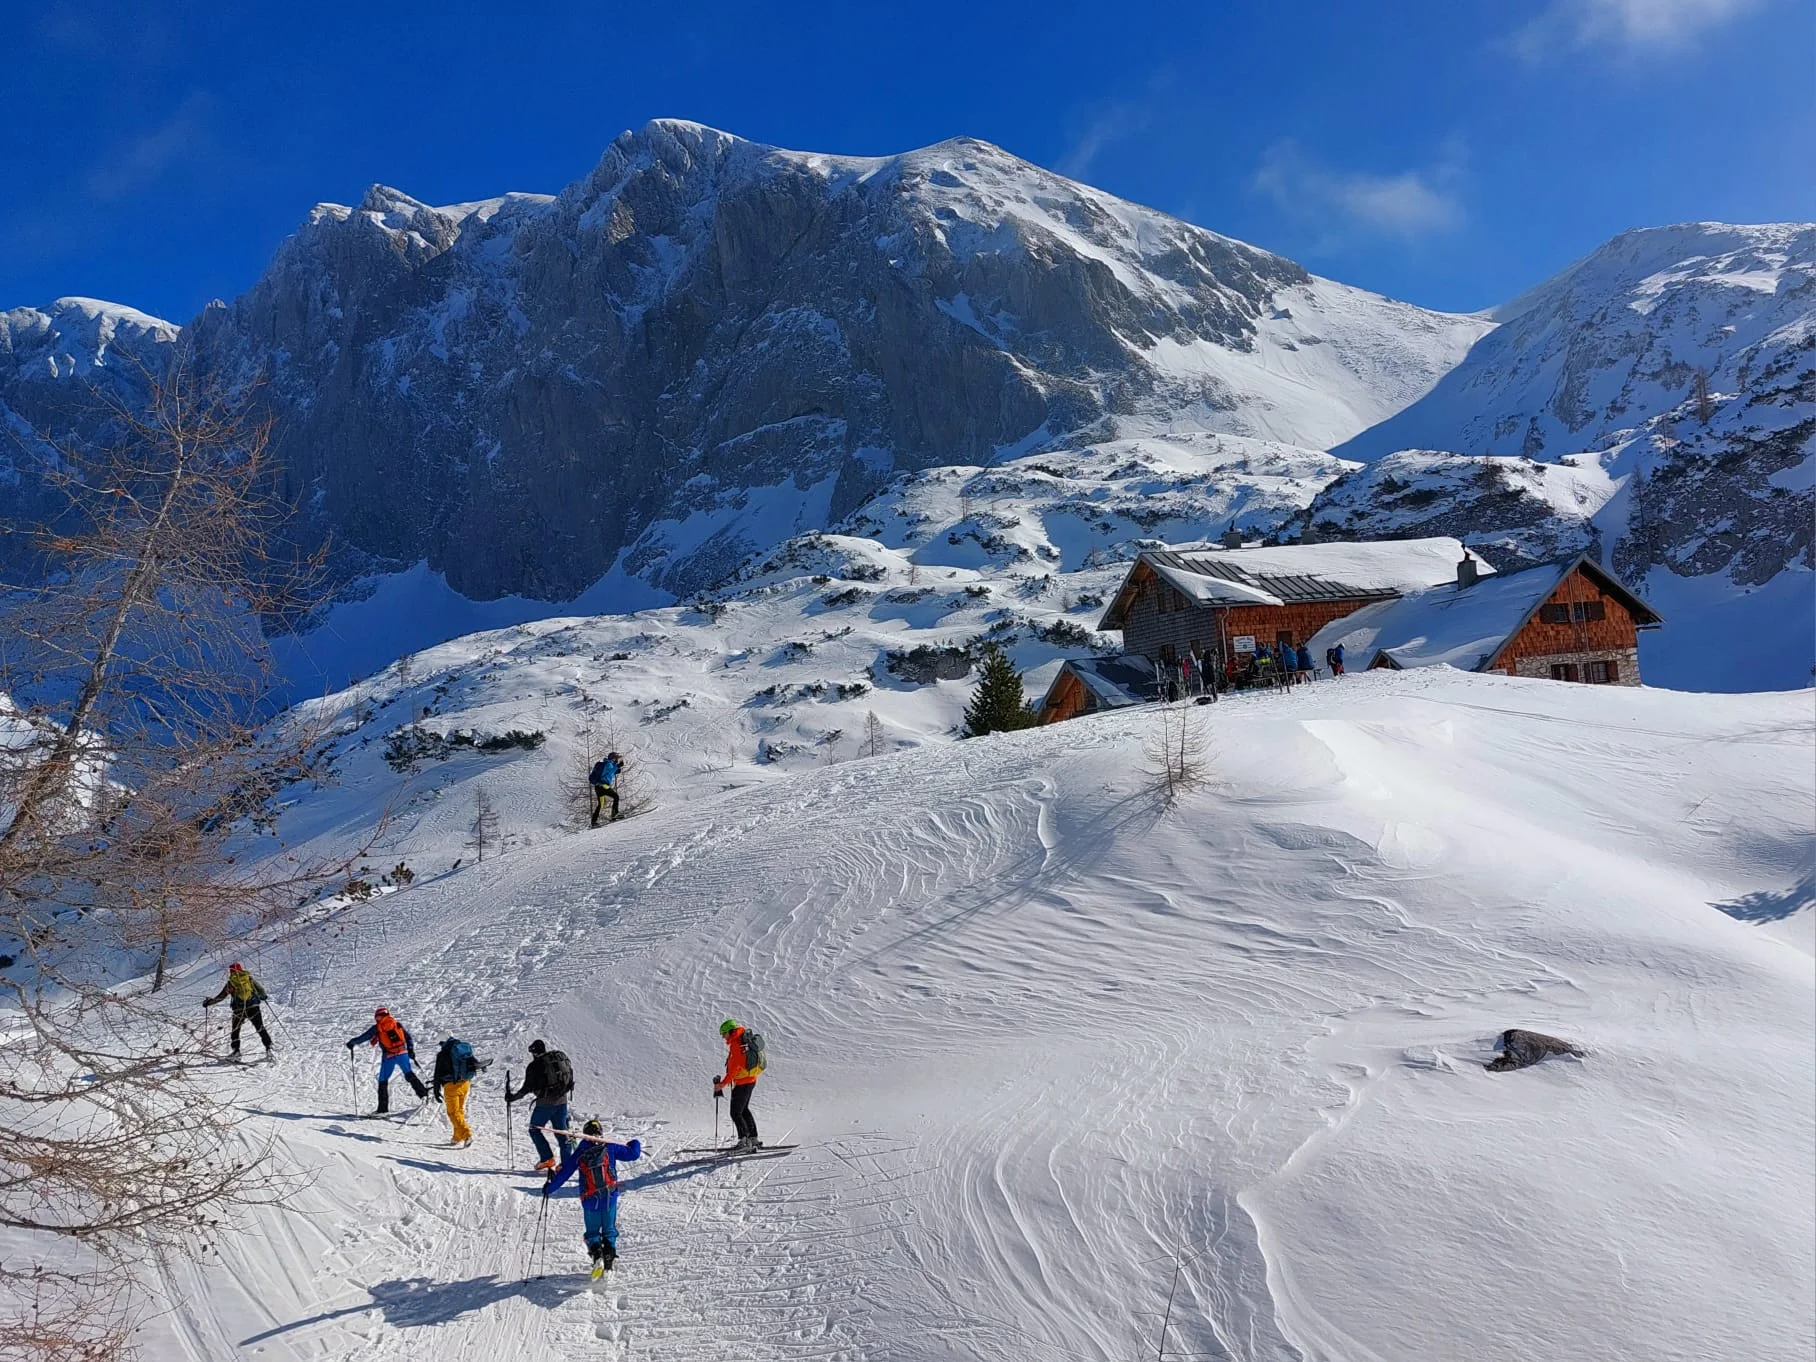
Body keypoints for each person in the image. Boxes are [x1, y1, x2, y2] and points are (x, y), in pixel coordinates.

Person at [543, 1119, 642, 1273]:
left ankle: (597, 1255)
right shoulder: (609, 1146)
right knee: (609, 1230)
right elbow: (634, 1154)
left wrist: (549, 1188)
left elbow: (565, 1172)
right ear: (600, 1132)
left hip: (590, 1200)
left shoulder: (581, 1151)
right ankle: (609, 1256)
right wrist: (634, 1142)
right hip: (609, 1197)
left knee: (592, 1232)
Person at [506, 1039, 575, 1171]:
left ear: (533, 1052)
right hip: (562, 1101)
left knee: (534, 1129)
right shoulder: (556, 1059)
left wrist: (512, 1098)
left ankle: (547, 1158)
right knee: (561, 1131)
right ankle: (567, 1164)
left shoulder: (535, 1066)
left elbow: (526, 1088)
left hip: (545, 1104)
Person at [346, 1006, 430, 1113]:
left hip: (389, 1055)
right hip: (402, 1053)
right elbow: (408, 1038)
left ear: (378, 1017)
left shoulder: (377, 1027)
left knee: (383, 1080)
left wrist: (352, 1043)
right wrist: (410, 1049)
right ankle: (423, 1094)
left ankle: (382, 1109)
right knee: (409, 1074)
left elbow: (364, 1037)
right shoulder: (396, 1024)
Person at [714, 1019, 764, 1152]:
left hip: (743, 1083)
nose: (723, 1037)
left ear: (731, 1032)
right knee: (744, 1110)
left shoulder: (737, 1044)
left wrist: (722, 1084)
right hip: (750, 1080)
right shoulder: (742, 1041)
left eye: (724, 1033)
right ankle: (753, 1139)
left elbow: (734, 1068)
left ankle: (745, 1142)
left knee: (735, 1113)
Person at [203, 962, 272, 1059]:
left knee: (236, 1030)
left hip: (239, 1010)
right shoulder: (248, 978)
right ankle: (269, 1048)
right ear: (240, 969)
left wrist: (208, 1003)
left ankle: (236, 1051)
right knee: (260, 1027)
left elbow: (221, 997)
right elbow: (261, 990)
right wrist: (263, 996)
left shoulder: (231, 983)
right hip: (253, 1007)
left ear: (231, 972)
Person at [432, 1036, 491, 1147]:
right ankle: (457, 1137)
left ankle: (466, 1134)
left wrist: (436, 1090)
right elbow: (473, 1062)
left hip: (451, 1086)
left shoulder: (443, 1054)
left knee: (453, 1113)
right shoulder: (462, 1049)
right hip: (465, 1083)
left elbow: (437, 1073)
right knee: (459, 1111)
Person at [589, 751, 623, 827]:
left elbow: (613, 771)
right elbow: (611, 770)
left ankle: (594, 822)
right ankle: (615, 814)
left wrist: (618, 767)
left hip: (598, 787)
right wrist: (618, 766)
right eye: (616, 758)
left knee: (600, 804)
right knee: (616, 796)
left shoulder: (608, 764)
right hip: (603, 786)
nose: (616, 760)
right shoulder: (608, 764)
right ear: (613, 758)